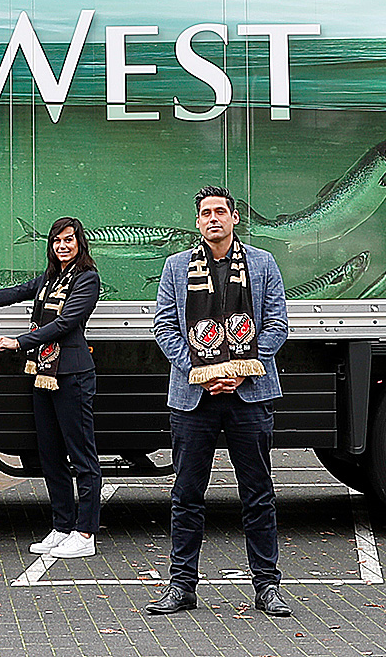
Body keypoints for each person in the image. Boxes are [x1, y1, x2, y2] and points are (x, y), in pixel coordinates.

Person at [146, 187, 291, 619]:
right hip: (195, 399)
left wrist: (238, 370)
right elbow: (164, 327)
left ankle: (267, 587)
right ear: (197, 221)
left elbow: (278, 325)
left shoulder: (263, 263)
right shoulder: (175, 267)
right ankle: (181, 586)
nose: (213, 219)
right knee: (186, 494)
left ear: (234, 219)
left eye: (220, 212)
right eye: (205, 213)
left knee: (258, 494)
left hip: (249, 396)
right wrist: (203, 372)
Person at [0, 217, 103, 559]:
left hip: (72, 376)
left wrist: (18, 343)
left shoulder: (87, 279)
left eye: (69, 240)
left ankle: (85, 533)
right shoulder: (51, 277)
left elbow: (65, 324)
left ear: (80, 244)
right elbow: (16, 291)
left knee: (82, 457)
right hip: (43, 374)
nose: (62, 246)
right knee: (49, 454)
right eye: (57, 241)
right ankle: (62, 526)